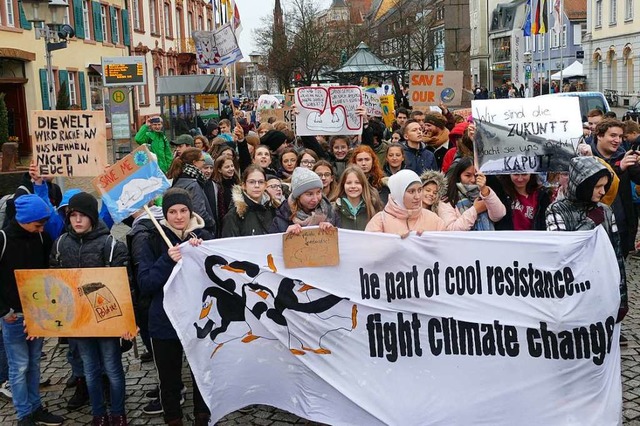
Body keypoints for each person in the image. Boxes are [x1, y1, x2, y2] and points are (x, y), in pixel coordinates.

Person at [49, 192, 130, 426]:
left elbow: (126, 286)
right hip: (79, 322)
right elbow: (54, 281)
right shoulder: (61, 244)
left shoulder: (110, 245)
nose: (77, 220)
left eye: (82, 216)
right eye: (73, 215)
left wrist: (126, 322)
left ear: (92, 218)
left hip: (107, 320)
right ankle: (98, 414)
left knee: (112, 369)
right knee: (90, 371)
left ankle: (118, 413)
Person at [136, 188, 212, 426]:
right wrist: (167, 259)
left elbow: (214, 277)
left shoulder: (204, 237)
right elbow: (146, 282)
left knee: (202, 374)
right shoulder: (150, 239)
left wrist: (201, 254)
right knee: (169, 380)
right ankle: (173, 418)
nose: (178, 216)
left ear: (190, 213)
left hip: (197, 319)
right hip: (164, 321)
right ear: (165, 214)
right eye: (172, 211)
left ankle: (203, 416)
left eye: (183, 211)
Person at [0, 194, 64, 426]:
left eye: (43, 225)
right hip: (13, 315)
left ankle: (36, 408)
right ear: (23, 220)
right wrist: (5, 311)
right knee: (19, 366)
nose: (41, 229)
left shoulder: (41, 237)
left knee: (35, 362)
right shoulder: (4, 238)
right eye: (38, 224)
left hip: (37, 312)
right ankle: (23, 415)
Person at [546, 156, 627, 325]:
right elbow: (562, 250)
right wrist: (590, 223)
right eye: (597, 186)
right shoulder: (556, 210)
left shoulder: (605, 210)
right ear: (583, 184)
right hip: (573, 291)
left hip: (601, 286)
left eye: (604, 186)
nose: (603, 192)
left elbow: (616, 254)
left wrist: (622, 297)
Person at [587, 119, 640, 256]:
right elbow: (592, 183)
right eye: (613, 135)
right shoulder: (587, 157)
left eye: (621, 136)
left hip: (621, 224)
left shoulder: (623, 156)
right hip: (594, 225)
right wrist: (618, 168)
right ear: (599, 135)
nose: (618, 140)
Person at [365, 169, 446, 235]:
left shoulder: (434, 220)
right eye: (411, 191)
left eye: (420, 190)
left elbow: (445, 248)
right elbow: (371, 250)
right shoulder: (380, 221)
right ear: (398, 193)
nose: (417, 197)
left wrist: (429, 241)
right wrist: (395, 241)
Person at [442, 157, 506, 231]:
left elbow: (499, 215)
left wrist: (485, 191)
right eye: (468, 175)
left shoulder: (484, 192)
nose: (473, 180)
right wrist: (475, 210)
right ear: (459, 176)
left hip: (487, 240)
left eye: (476, 176)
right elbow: (451, 229)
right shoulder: (448, 199)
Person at [269, 167, 340, 234]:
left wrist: (333, 232)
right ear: (298, 196)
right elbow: (271, 244)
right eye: (309, 194)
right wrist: (285, 236)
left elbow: (343, 242)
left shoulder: (331, 214)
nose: (315, 199)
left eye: (318, 192)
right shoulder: (282, 217)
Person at [167, 148, 216, 234]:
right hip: (197, 231)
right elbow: (199, 212)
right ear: (194, 162)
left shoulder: (180, 178)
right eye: (202, 160)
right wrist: (212, 223)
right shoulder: (193, 184)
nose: (204, 162)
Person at [222, 165, 280, 237]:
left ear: (265, 185)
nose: (256, 185)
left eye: (261, 182)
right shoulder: (234, 216)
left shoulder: (275, 210)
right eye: (252, 182)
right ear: (244, 185)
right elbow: (230, 245)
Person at [331, 166, 381, 231]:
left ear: (363, 185)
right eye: (349, 183)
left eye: (357, 183)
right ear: (343, 185)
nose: (353, 186)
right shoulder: (334, 208)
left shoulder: (373, 206)